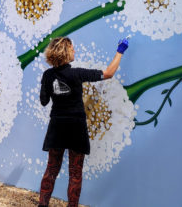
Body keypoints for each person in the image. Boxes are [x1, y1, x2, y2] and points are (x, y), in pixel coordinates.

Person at [38, 36, 129, 207]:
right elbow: (108, 73)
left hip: (57, 126)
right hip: (76, 127)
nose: (75, 51)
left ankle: (42, 205)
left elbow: (43, 101)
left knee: (51, 169)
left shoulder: (47, 75)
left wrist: (49, 87)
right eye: (72, 49)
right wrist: (120, 51)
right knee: (75, 172)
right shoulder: (77, 73)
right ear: (65, 51)